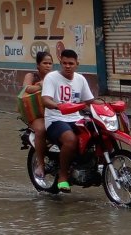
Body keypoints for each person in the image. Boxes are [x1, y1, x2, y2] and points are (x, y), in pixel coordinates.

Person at [41, 49, 102, 193]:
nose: (67, 66)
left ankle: (96, 166)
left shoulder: (80, 79)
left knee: (98, 133)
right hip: (55, 118)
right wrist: (58, 105)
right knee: (70, 140)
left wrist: (109, 106)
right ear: (61, 63)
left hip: (76, 118)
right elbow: (46, 100)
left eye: (71, 63)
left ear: (77, 64)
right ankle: (63, 176)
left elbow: (90, 101)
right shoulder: (51, 77)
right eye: (64, 63)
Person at [21, 51, 54, 178]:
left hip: (53, 112)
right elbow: (26, 89)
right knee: (41, 130)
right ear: (38, 65)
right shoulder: (32, 76)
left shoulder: (55, 76)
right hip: (36, 114)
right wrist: (41, 85)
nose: (48, 66)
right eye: (45, 63)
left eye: (50, 63)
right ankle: (41, 164)